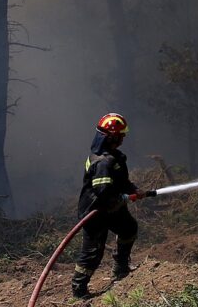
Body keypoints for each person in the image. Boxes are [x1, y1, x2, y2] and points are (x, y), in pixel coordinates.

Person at [71, 112, 147, 298]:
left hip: (112, 209)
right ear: (112, 136)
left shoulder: (114, 157)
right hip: (96, 211)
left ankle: (120, 268)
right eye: (121, 135)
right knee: (93, 253)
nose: (123, 138)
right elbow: (103, 190)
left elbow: (121, 181)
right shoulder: (103, 161)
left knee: (129, 228)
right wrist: (122, 197)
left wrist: (134, 190)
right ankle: (78, 291)